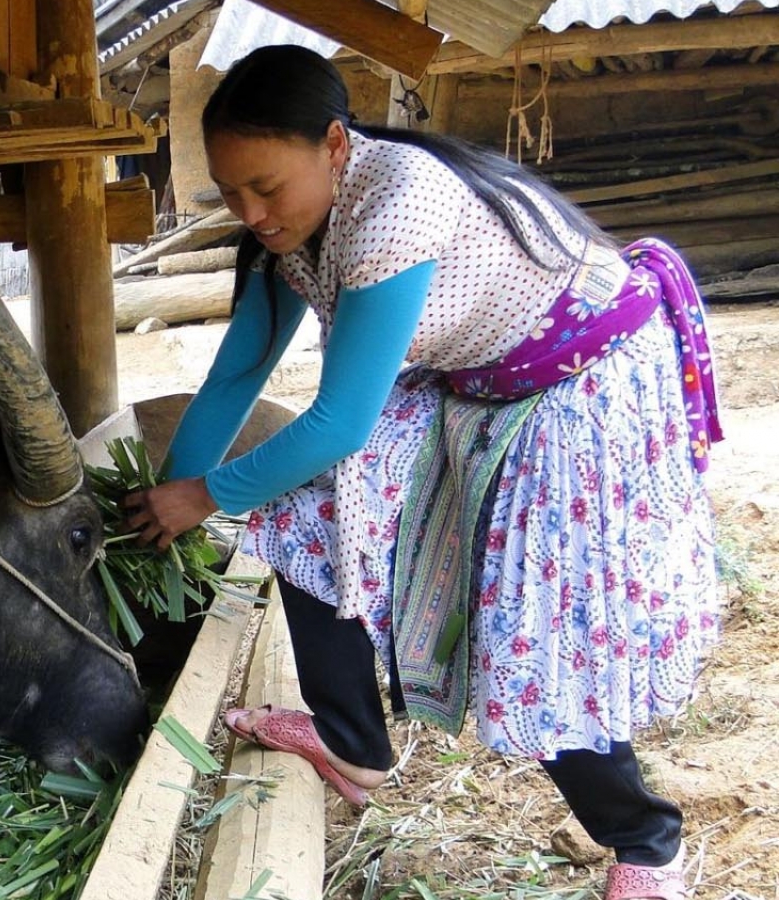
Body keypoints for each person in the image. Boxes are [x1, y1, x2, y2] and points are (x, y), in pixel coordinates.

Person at [121, 45, 721, 900]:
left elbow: (339, 423)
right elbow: (233, 378)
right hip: (473, 382)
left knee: (532, 621)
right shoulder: (293, 229)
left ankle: (646, 844)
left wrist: (200, 496)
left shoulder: (396, 205)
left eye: (266, 186)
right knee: (301, 518)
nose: (249, 211)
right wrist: (162, 512)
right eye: (229, 191)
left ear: (333, 146)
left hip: (578, 380)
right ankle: (351, 740)